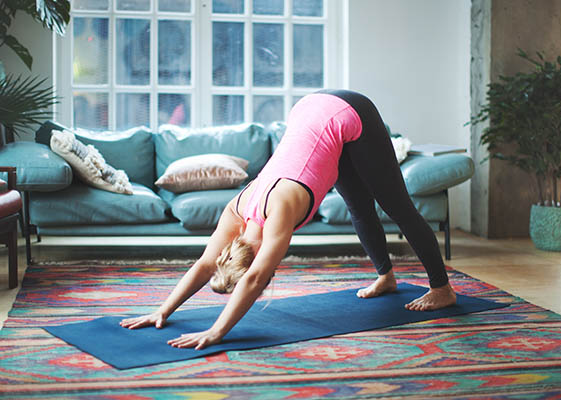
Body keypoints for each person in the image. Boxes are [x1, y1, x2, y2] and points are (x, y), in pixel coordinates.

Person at [120, 89, 457, 350]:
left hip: (349, 111)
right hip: (309, 110)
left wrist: (216, 331)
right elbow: (206, 265)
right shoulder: (237, 208)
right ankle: (387, 278)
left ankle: (442, 288)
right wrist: (163, 310)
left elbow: (252, 281)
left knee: (396, 206)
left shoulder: (277, 213)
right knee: (358, 206)